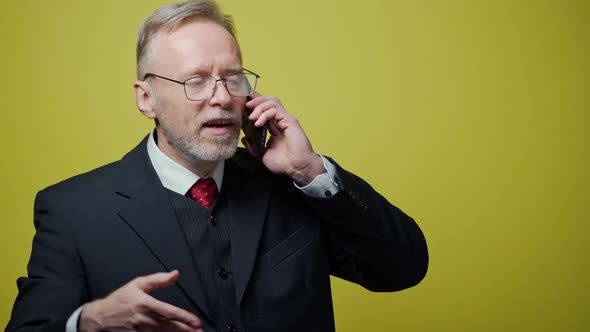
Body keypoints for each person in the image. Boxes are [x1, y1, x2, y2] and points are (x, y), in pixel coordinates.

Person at [6, 1, 428, 331]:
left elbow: (403, 268)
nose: (223, 96)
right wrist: (89, 323)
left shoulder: (292, 188)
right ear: (146, 99)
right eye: (196, 81)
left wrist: (309, 170)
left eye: (233, 77)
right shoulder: (72, 211)